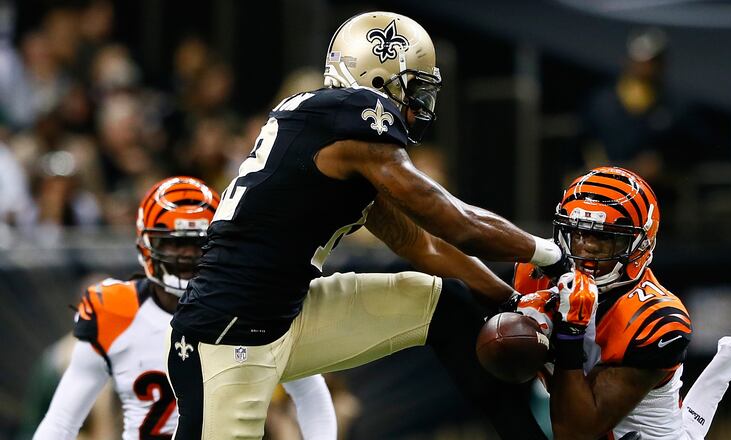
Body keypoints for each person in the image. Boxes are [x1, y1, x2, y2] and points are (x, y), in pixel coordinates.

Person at [166, 11, 567, 439]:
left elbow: (423, 246)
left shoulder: (334, 135)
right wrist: (549, 253)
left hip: (283, 316)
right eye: (414, 89)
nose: (418, 107)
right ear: (377, 78)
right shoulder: (355, 116)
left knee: (444, 305)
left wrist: (508, 301)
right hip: (228, 337)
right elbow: (453, 219)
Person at [33, 176, 337, 440]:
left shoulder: (254, 307)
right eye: (174, 243)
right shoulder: (114, 311)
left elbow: (311, 393)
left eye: (198, 243)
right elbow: (61, 421)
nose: (187, 255)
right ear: (147, 245)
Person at [512, 167, 731, 440]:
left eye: (605, 237)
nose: (586, 247)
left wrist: (569, 334)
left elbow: (576, 433)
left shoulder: (656, 317)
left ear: (642, 243)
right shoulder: (538, 273)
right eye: (578, 233)